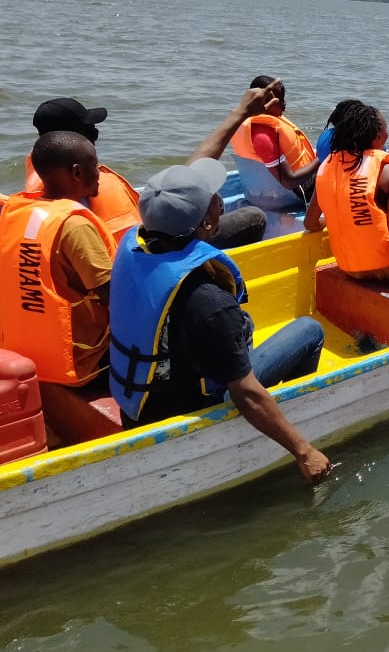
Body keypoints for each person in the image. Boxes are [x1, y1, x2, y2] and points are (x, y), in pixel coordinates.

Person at [106, 157, 330, 483]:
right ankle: (294, 420)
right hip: (190, 411)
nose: (219, 200)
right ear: (208, 223)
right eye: (213, 199)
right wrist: (304, 452)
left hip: (138, 405)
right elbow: (245, 393)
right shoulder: (208, 302)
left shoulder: (133, 246)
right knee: (310, 330)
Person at [25, 96, 267, 249]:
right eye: (93, 132)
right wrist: (240, 113)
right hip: (157, 249)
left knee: (217, 201)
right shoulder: (93, 188)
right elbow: (136, 245)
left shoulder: (42, 172)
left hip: (133, 239)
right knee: (254, 217)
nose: (97, 136)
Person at [0, 132, 116, 391]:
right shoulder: (75, 226)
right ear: (77, 173)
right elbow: (115, 297)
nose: (99, 173)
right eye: (94, 166)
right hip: (82, 364)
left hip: (27, 353)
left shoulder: (17, 213)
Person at [304, 102, 389, 281]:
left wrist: (339, 216)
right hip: (387, 270)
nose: (388, 134)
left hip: (349, 269)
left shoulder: (326, 168)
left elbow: (310, 223)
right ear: (377, 136)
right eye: (386, 129)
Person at [229, 75, 319, 209]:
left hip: (259, 189)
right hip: (289, 194)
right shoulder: (262, 135)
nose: (284, 104)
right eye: (280, 100)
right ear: (264, 101)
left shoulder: (244, 122)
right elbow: (288, 181)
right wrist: (321, 159)